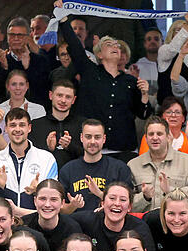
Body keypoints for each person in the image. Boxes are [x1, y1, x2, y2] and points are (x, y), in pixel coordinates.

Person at [57, 10, 152, 161]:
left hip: (125, 149)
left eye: (117, 45)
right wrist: (63, 18)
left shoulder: (131, 81)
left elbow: (143, 114)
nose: (115, 46)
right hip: (93, 149)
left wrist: (145, 95)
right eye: (109, 44)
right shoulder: (90, 71)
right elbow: (75, 46)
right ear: (99, 54)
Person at [0, 108, 57, 209]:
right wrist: (0, 187)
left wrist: (37, 191)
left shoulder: (47, 159)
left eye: (22, 125)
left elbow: (54, 199)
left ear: (29, 128)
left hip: (36, 221)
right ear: (6, 128)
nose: (18, 129)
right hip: (5, 222)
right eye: (13, 125)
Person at [128, 115, 188, 212]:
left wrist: (171, 191)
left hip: (178, 223)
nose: (155, 138)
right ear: (146, 138)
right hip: (143, 223)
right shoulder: (133, 165)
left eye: (159, 134)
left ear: (168, 137)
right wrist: (144, 197)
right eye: (151, 134)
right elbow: (125, 202)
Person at [73, 182, 155, 251]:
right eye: (112, 198)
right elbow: (63, 221)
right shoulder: (87, 220)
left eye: (123, 200)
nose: (117, 203)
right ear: (103, 203)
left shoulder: (139, 228)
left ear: (129, 207)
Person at [59, 119, 133, 212]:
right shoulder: (67, 170)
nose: (93, 141)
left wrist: (102, 196)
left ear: (104, 139)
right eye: (88, 137)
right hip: (77, 224)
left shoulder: (119, 168)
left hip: (109, 224)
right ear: (81, 138)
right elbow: (60, 210)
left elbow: (128, 205)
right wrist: (73, 206)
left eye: (97, 137)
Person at [138, 96, 188, 173]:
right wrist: (167, 143)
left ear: (183, 118)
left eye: (177, 112)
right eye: (169, 112)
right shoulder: (152, 137)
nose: (173, 115)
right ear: (162, 117)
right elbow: (145, 165)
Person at [0, 17, 50, 108]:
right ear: (7, 37)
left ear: (28, 37)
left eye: (20, 35)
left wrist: (28, 67)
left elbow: (43, 90)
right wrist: (5, 68)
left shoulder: (40, 60)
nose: (16, 38)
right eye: (12, 35)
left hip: (34, 112)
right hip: (7, 112)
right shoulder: (0, 62)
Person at [30, 80, 85, 168]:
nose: (63, 100)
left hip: (76, 177)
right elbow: (29, 156)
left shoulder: (83, 125)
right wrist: (48, 148)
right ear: (51, 95)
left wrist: (70, 146)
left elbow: (90, 154)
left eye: (68, 97)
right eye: (59, 95)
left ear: (73, 100)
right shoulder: (36, 125)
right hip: (44, 177)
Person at [21, 180, 82, 251]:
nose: (47, 204)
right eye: (43, 199)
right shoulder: (23, 225)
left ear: (62, 203)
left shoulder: (72, 229)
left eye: (53, 199)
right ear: (35, 201)